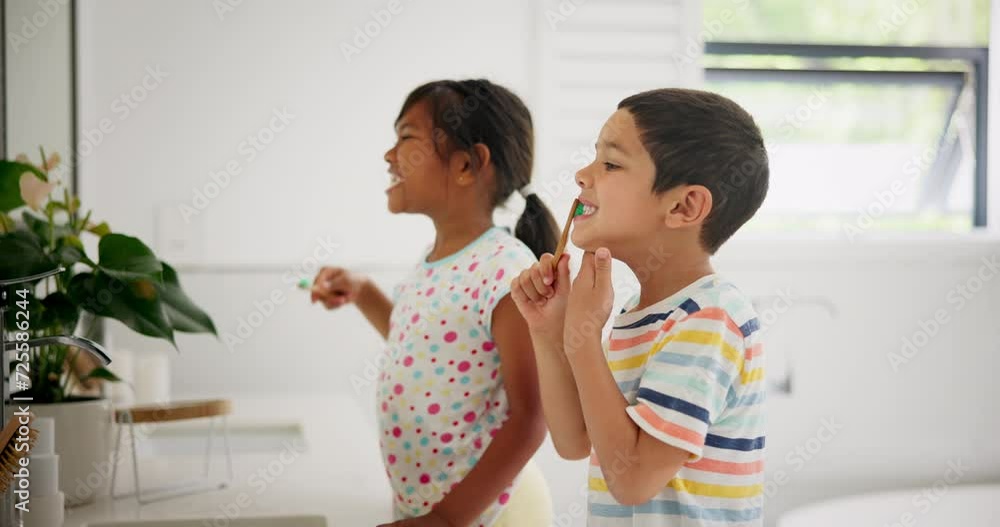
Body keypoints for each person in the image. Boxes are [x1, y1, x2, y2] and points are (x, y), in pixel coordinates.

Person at [511, 88, 769, 526]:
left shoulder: (709, 319)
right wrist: (552, 331)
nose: (582, 174)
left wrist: (586, 337)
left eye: (610, 163)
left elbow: (631, 481)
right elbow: (575, 440)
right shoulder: (640, 313)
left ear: (684, 206)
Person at [312, 80, 556, 527]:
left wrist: (445, 519)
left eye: (406, 138)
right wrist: (363, 293)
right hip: (433, 508)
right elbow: (425, 352)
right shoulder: (435, 263)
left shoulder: (506, 273)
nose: (389, 157)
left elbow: (530, 418)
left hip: (488, 513)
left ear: (467, 164)